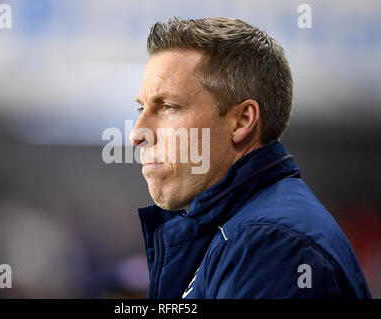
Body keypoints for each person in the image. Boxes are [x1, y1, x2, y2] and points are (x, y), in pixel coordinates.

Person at [129, 17, 372, 298]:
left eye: (168, 107)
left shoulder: (274, 245)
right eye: (141, 108)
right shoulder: (237, 234)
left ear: (242, 121)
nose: (137, 133)